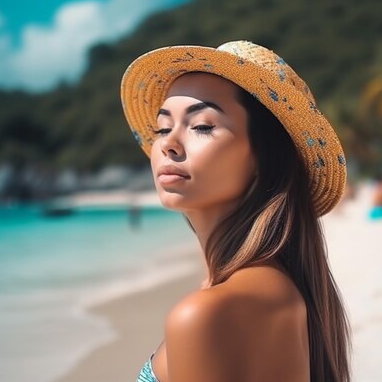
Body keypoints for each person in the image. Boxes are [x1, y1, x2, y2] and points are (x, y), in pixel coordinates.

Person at [121, 41, 350, 382]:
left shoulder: (207, 313)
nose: (168, 143)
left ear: (263, 157)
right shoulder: (281, 291)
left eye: (202, 126)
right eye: (163, 128)